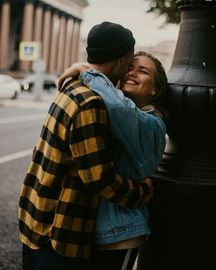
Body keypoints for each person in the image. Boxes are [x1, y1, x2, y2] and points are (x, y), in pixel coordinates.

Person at [18, 22, 155, 270]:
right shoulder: (91, 103)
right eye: (130, 61)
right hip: (60, 233)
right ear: (122, 59)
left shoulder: (71, 86)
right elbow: (99, 179)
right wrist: (143, 191)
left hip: (36, 218)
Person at [57, 51, 168, 269]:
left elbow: (120, 108)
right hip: (95, 229)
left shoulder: (153, 125)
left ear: (155, 89)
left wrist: (86, 71)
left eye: (143, 71)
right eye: (130, 67)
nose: (132, 73)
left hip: (120, 232)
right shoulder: (114, 110)